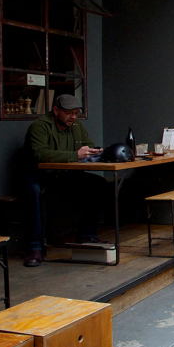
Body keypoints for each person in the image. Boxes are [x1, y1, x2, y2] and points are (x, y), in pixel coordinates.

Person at [22, 94, 106, 267]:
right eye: (69, 113)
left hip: (64, 176)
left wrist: (95, 152)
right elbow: (40, 154)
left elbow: (88, 145)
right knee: (34, 192)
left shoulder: (76, 126)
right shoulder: (39, 127)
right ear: (56, 111)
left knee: (99, 185)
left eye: (76, 113)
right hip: (41, 177)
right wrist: (75, 155)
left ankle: (87, 235)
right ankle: (35, 248)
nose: (73, 117)